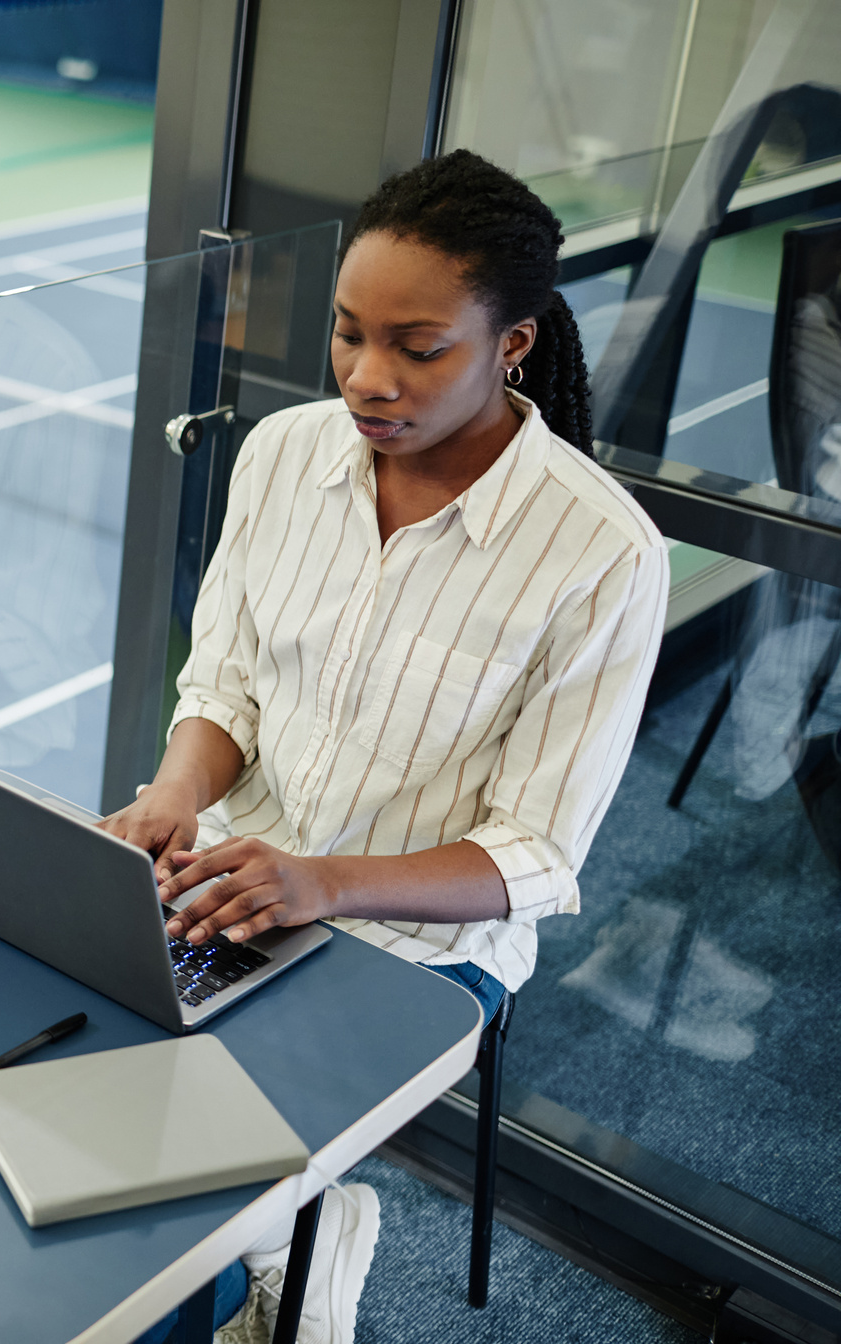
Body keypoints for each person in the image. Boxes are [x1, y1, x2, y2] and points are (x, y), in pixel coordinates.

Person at [108, 148, 670, 1343]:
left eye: (419, 348)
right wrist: (174, 793)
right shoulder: (282, 455)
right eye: (349, 334)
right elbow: (228, 685)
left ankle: (269, 1243)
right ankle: (286, 1235)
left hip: (417, 949)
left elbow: (536, 853)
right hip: (229, 878)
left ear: (511, 344)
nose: (369, 379)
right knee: (56, 1083)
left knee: (147, 1205)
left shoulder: (601, 555)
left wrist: (318, 883)